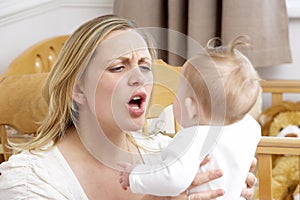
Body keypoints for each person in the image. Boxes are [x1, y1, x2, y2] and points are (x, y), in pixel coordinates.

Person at [0, 15, 256, 200]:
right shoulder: (29, 181)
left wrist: (232, 185)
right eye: (118, 67)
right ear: (78, 90)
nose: (139, 78)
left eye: (144, 65)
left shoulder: (167, 152)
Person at [119, 36, 261, 199]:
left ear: (190, 107)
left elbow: (173, 178)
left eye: (179, 91)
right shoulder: (250, 128)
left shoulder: (193, 137)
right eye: (118, 68)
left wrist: (134, 176)